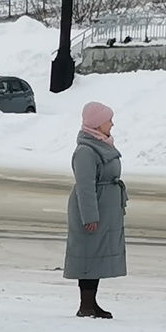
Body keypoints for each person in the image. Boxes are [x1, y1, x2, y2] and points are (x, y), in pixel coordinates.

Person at [66, 101, 127, 318]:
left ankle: (92, 303)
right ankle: (86, 305)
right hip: (92, 211)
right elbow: (85, 187)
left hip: (104, 210)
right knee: (87, 257)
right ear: (97, 123)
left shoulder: (102, 145)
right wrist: (90, 217)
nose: (112, 124)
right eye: (108, 120)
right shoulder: (85, 151)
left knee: (96, 257)